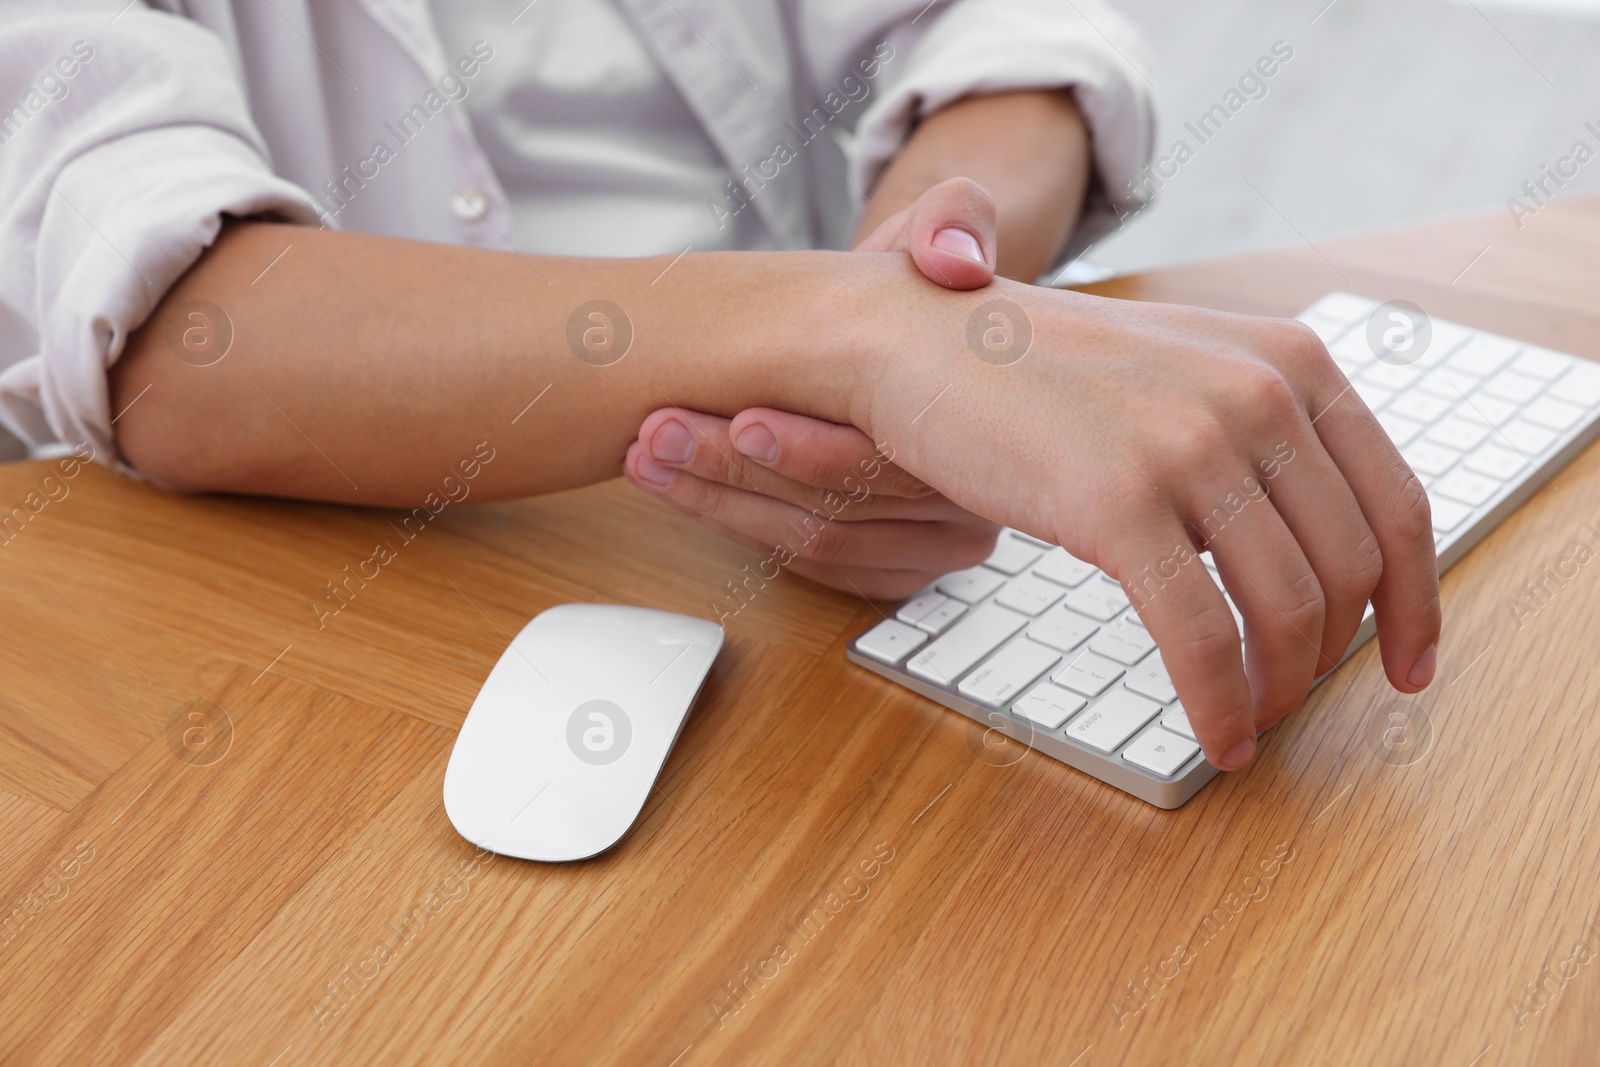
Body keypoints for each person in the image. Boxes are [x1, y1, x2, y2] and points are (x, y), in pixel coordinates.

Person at [0, 0, 1441, 774]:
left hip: (800, 561)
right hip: (316, 632)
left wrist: (926, 269)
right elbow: (180, 329)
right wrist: (858, 337)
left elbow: (1003, 33)